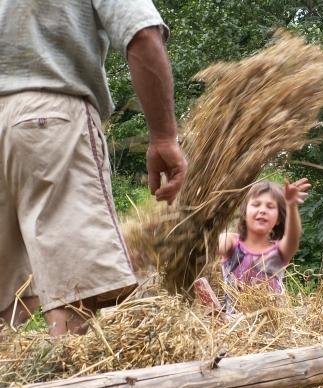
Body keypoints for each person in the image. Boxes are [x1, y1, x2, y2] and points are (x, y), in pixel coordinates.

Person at [0, 1, 187, 336]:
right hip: (49, 119)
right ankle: (72, 386)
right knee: (74, 292)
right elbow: (141, 32)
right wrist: (164, 136)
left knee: (8, 299)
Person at [195, 178, 311, 316]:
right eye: (256, 204)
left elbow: (293, 237)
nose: (262, 210)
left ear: (279, 218)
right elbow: (210, 244)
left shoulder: (279, 251)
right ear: (244, 213)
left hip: (274, 327)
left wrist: (291, 206)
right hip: (235, 325)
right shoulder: (232, 242)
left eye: (270, 206)